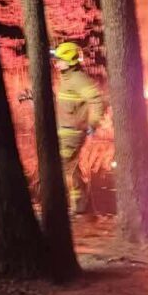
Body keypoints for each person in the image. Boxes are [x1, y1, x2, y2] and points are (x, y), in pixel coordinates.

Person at [51, 41, 104, 215]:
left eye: (59, 59)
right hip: (64, 131)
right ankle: (81, 206)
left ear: (69, 61)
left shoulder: (78, 79)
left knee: (62, 167)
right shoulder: (67, 79)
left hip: (72, 133)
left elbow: (96, 100)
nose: (56, 62)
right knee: (70, 169)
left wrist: (93, 123)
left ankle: (77, 207)